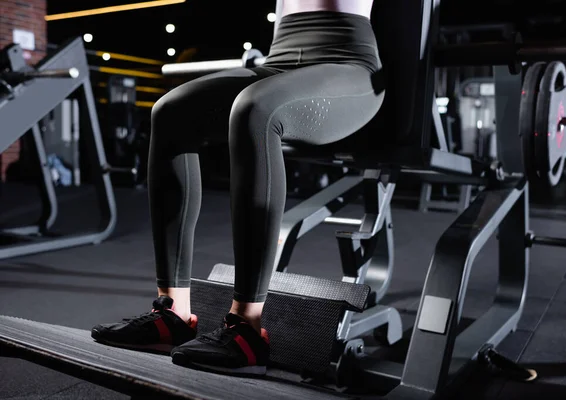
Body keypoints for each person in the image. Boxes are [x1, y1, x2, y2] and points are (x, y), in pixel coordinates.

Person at [91, 0, 383, 376]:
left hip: (346, 63)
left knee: (255, 108)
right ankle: (172, 314)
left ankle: (247, 327)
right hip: (280, 59)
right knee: (170, 111)